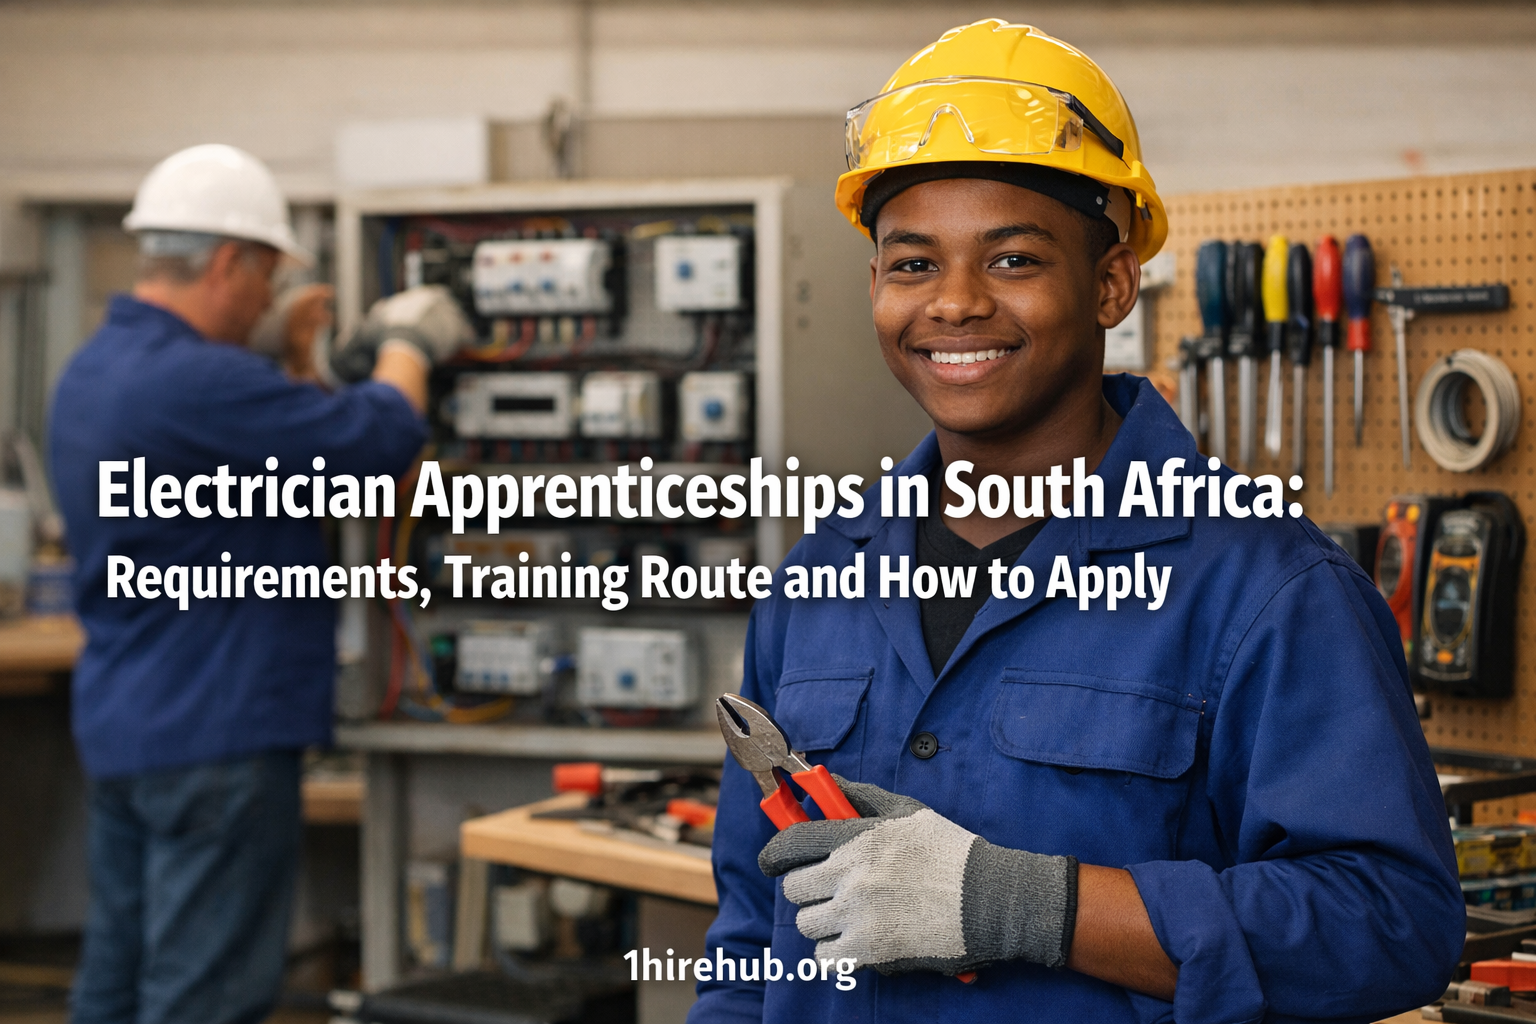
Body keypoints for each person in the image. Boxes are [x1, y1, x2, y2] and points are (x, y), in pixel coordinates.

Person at [692, 20, 1462, 1023]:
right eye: (912, 264)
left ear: (1110, 284)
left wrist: (1034, 905)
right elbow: (752, 927)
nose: (956, 304)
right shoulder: (817, 577)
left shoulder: (1266, 587)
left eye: (1012, 260)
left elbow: (1390, 925)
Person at [49, 144, 470, 1024]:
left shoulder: (93, 371)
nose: (269, 299)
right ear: (231, 261)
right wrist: (407, 343)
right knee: (201, 999)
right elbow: (373, 441)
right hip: (219, 734)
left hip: (128, 725)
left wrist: (288, 363)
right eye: (268, 278)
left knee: (117, 985)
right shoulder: (203, 381)